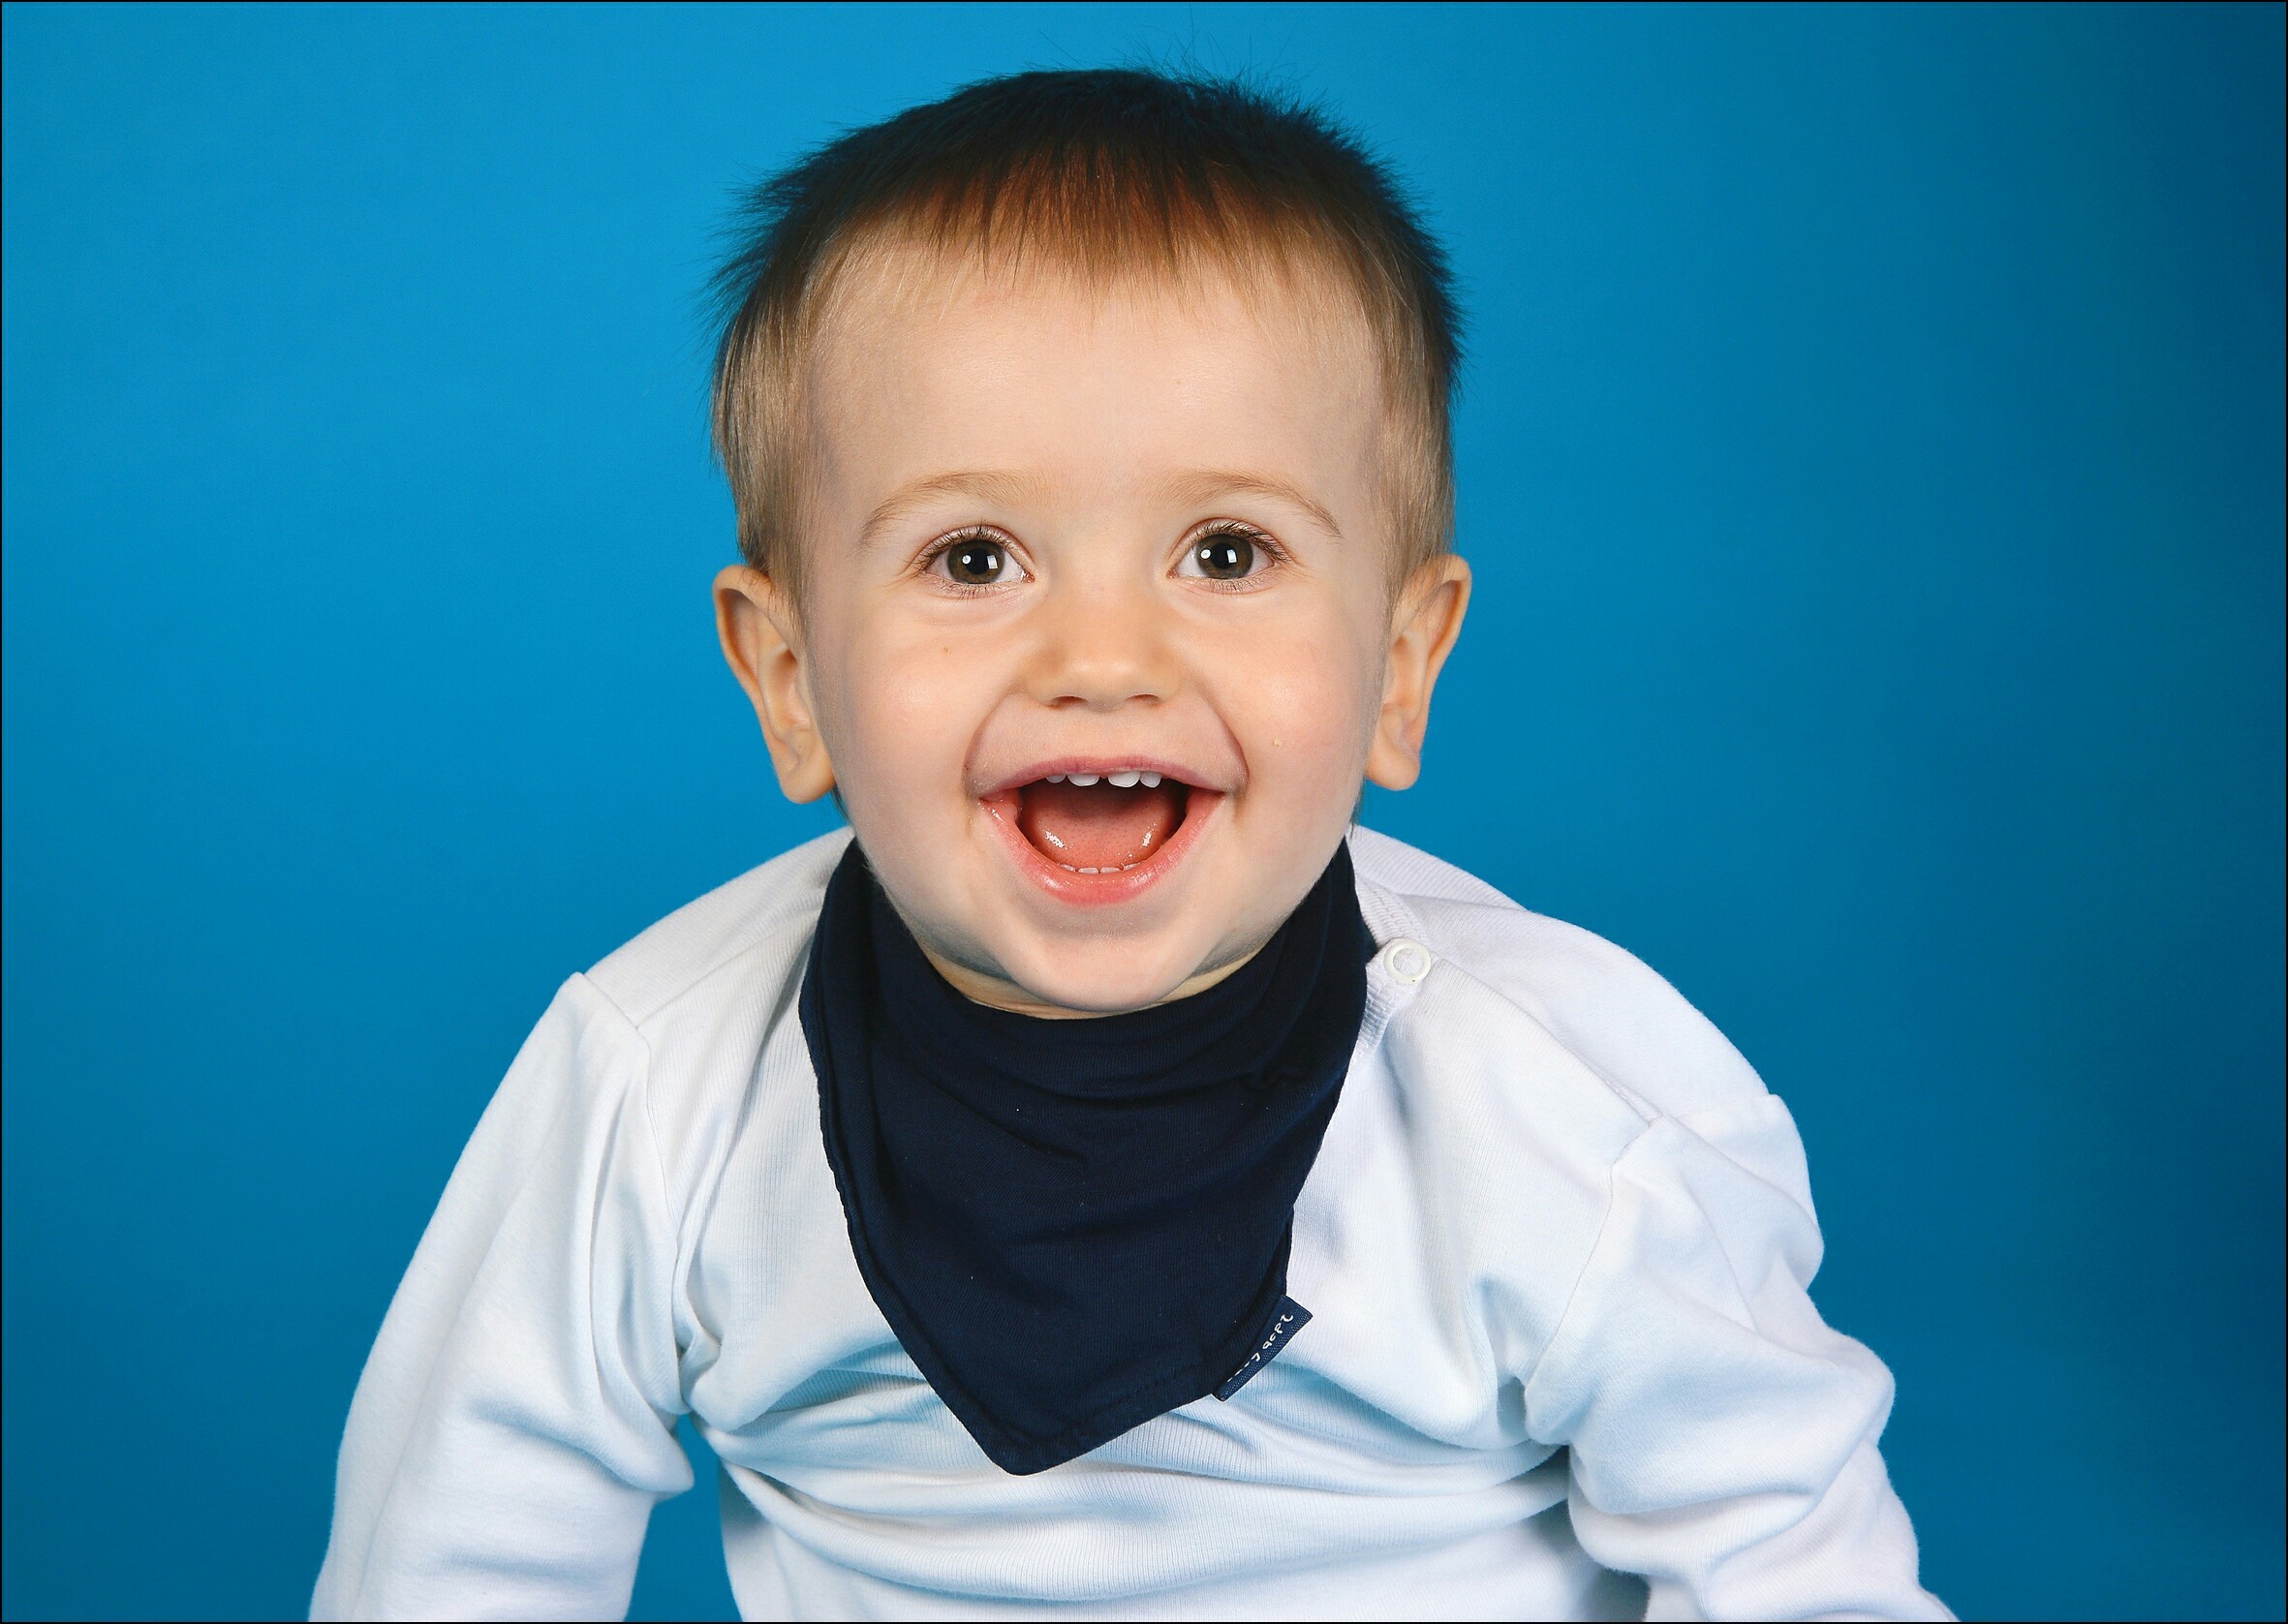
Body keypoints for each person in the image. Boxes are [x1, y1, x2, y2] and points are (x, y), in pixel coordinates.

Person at [313, 68, 1950, 1621]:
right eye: (973, 558)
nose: (1101, 656)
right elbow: (454, 1560)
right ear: (791, 679)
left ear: (1397, 668)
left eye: (1224, 552)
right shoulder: (658, 1083)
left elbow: (1797, 1581)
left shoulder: (1567, 1112)